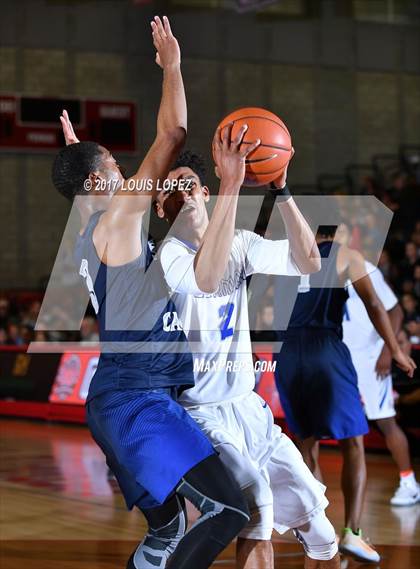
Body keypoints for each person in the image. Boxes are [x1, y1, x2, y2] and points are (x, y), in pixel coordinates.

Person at [52, 17, 250, 569]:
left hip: (127, 393)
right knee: (225, 512)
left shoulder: (89, 231)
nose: (125, 172)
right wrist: (172, 68)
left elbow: (86, 186)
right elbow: (173, 135)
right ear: (98, 184)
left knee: (167, 534)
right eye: (114, 167)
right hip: (135, 396)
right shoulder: (113, 222)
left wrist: (79, 155)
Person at [155, 144, 341, 569]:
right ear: (160, 210)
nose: (182, 193)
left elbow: (309, 261)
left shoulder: (241, 243)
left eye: (188, 185)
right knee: (255, 501)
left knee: (321, 527)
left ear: (204, 193)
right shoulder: (169, 257)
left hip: (249, 410)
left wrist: (282, 188)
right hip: (199, 414)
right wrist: (233, 184)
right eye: (170, 191)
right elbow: (206, 279)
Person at [273, 222, 416, 564]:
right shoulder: (346, 256)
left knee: (306, 445)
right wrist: (395, 349)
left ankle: (318, 528)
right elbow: (375, 304)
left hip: (288, 352)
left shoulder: (285, 256)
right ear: (337, 235)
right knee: (354, 443)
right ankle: (352, 532)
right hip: (326, 348)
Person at [340, 225, 420, 507]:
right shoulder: (320, 272)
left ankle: (409, 482)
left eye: (340, 234)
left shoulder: (367, 269)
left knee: (385, 421)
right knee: (341, 427)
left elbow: (394, 309)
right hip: (342, 361)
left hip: (371, 359)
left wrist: (389, 349)